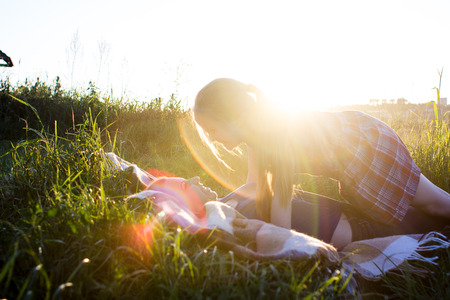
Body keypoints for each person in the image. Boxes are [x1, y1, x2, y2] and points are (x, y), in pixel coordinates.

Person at [192, 78, 450, 248]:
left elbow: (281, 220)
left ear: (233, 118)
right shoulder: (256, 136)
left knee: (436, 203)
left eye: (212, 130)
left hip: (368, 147)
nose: (212, 139)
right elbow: (252, 185)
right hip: (353, 160)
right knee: (401, 214)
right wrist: (219, 205)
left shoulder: (273, 133)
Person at [145, 176, 449, 249]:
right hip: (361, 227)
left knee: (434, 208)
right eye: (187, 184)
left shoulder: (232, 200)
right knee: (436, 217)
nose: (197, 179)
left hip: (356, 212)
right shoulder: (229, 214)